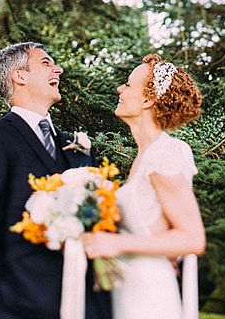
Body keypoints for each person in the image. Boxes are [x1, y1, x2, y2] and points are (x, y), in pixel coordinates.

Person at [0, 42, 112, 319]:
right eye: (46, 63)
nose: (59, 69)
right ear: (20, 76)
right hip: (22, 298)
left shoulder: (76, 145)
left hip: (87, 300)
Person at [82, 54, 205, 319]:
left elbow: (193, 238)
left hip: (150, 294)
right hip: (128, 287)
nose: (120, 89)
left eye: (127, 85)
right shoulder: (146, 155)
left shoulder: (164, 154)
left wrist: (117, 244)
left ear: (148, 100)